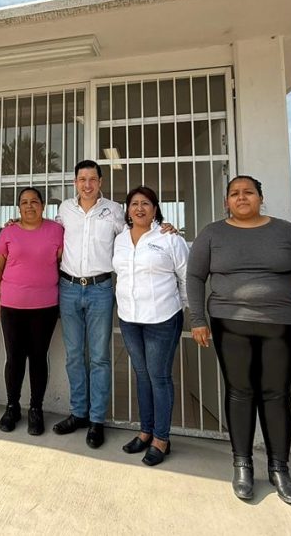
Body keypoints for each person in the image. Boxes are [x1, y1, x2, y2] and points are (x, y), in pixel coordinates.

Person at [186, 175, 291, 505]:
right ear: (226, 201)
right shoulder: (213, 234)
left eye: (249, 192)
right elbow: (195, 277)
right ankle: (242, 463)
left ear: (260, 197)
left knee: (276, 394)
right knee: (240, 392)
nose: (242, 198)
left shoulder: (286, 232)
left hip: (282, 324)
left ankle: (279, 468)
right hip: (231, 323)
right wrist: (198, 320)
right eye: (235, 193)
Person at [51, 159, 125, 449]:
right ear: (74, 183)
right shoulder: (64, 210)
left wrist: (162, 227)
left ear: (101, 182)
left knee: (99, 357)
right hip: (68, 287)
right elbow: (48, 237)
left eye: (92, 179)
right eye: (82, 179)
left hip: (100, 289)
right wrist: (16, 225)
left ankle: (96, 420)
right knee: (73, 355)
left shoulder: (114, 211)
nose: (87, 184)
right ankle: (78, 413)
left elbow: (134, 236)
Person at [112, 186, 188, 467]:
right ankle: (145, 432)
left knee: (159, 377)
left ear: (155, 209)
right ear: (128, 210)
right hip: (130, 317)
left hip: (162, 318)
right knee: (142, 375)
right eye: (134, 204)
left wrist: (180, 307)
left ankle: (161, 439)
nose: (139, 208)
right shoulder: (120, 239)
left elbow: (185, 277)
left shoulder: (169, 238)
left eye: (146, 203)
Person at [0, 187, 64, 435]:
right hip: (12, 305)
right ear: (18, 207)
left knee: (38, 358)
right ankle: (12, 407)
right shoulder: (8, 231)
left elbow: (65, 265)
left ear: (43, 205)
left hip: (45, 307)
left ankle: (35, 409)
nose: (29, 206)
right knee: (15, 358)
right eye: (24, 202)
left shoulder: (56, 231)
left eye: (34, 201)